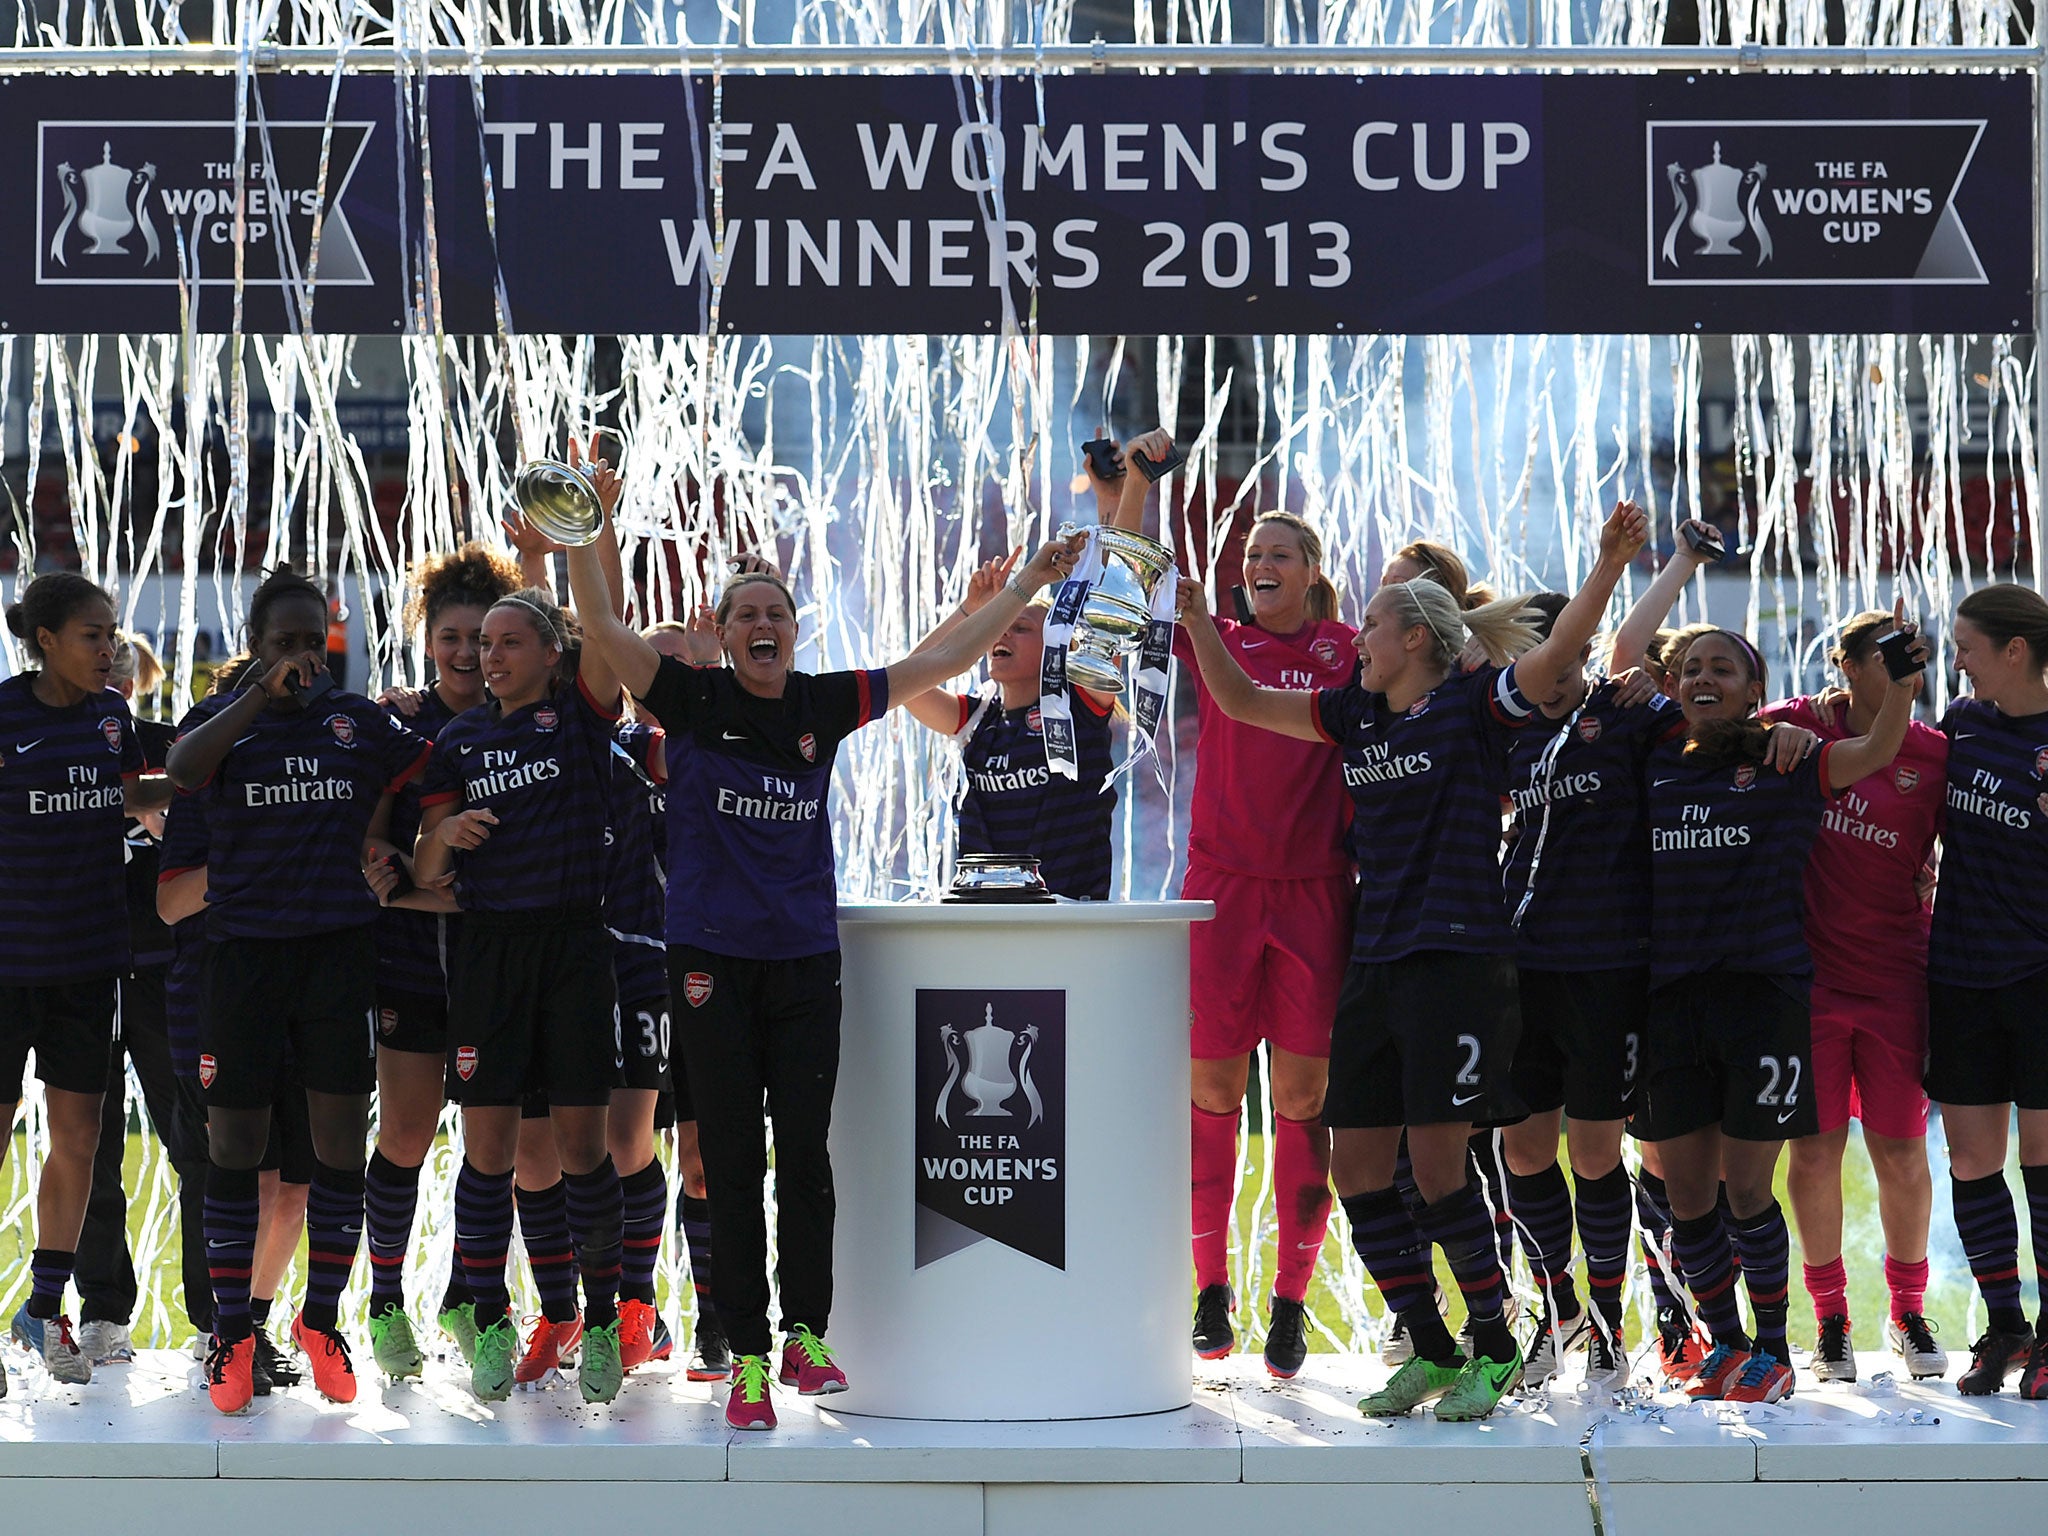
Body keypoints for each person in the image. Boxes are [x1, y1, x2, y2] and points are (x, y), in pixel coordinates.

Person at [565, 502, 1087, 1431]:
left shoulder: (820, 703)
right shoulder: (692, 703)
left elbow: (938, 665)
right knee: (729, 1160)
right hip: (710, 966)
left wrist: (1023, 589)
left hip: (805, 962)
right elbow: (602, 626)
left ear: (794, 629)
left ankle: (806, 1336)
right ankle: (749, 1360)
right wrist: (585, 525)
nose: (763, 627)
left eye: (776, 613)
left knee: (805, 1154)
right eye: (745, 616)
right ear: (721, 637)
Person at [1175, 502, 1647, 1423]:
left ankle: (1496, 1344)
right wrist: (1197, 618)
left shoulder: (1474, 707)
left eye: (1378, 620)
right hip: (1376, 962)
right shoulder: (1354, 712)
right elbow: (1237, 702)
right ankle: (1428, 1347)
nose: (1360, 632)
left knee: (1438, 1168)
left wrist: (1606, 568)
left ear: (1417, 640)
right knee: (1359, 1168)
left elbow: (1554, 661)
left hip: (1460, 964)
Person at [1633, 616, 1922, 1404]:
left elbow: (1879, 753)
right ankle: (1724, 1349)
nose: (1704, 678)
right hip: (1668, 1005)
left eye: (1723, 667)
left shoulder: (1786, 757)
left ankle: (1771, 1350)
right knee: (1689, 1196)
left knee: (1749, 1191)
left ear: (1755, 689)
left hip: (1763, 1000)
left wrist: (1897, 686)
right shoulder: (1651, 757)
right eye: (1692, 666)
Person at [166, 566, 433, 1415]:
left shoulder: (357, 724)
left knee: (335, 1152)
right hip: (241, 963)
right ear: (256, 644)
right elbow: (179, 770)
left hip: (335, 956)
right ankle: (233, 1339)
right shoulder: (220, 723)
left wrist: (424, 839)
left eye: (312, 641)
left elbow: (441, 770)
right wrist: (255, 695)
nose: (301, 658)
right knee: (234, 1152)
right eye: (283, 641)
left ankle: (321, 1320)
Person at [412, 473, 637, 1405]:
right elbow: (424, 874)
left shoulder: (580, 717)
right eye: (484, 645)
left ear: (553, 655)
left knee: (584, 1150)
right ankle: (491, 1324)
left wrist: (594, 527)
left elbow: (608, 622)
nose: (490, 658)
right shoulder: (456, 745)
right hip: (491, 957)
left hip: (576, 953)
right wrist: (441, 838)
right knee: (490, 1151)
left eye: (510, 644)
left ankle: (601, 1320)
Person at [1166, 491, 1359, 1377]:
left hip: (1318, 892)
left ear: (1311, 572)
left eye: (1278, 553)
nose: (1258, 564)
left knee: (1305, 1100)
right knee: (1210, 1085)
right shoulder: (1217, 638)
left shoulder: (1350, 651)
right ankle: (1210, 1288)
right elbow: (1127, 574)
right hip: (1223, 890)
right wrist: (1122, 484)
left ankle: (1288, 1300)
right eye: (1250, 554)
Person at [1759, 612, 1949, 1384]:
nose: (1907, 669)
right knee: (1814, 1153)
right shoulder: (1790, 726)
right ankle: (1831, 1319)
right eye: (1887, 657)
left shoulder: (1936, 755)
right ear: (1844, 665)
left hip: (1897, 978)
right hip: (1807, 982)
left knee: (1903, 1155)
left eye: (1916, 656)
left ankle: (1908, 1314)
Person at [361, 542, 523, 1378]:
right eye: (453, 637)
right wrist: (388, 872)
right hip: (414, 964)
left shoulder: (534, 714)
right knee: (408, 1133)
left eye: (482, 639)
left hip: (504, 968)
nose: (469, 655)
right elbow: (370, 838)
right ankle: (384, 1301)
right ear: (428, 640)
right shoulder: (397, 724)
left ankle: (477, 1299)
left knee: (493, 1144)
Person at [2, 575, 164, 1387]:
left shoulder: (113, 718)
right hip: (7, 967)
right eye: (92, 635)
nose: (110, 649)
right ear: (45, 640)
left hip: (89, 965)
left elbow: (138, 795)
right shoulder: (4, 714)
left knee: (81, 1140)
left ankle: (43, 1306)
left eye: (112, 634)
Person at [1925, 584, 2048, 1398]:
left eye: (1966, 646)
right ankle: (2006, 1326)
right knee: (1972, 1158)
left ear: (2014, 651)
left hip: (2039, 976)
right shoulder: (1962, 723)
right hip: (1959, 974)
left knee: (2043, 1161)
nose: (1956, 660)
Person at [72, 632, 201, 1367]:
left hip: (165, 969)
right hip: (78, 969)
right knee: (89, 1147)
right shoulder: (41, 750)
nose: (108, 676)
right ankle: (103, 1310)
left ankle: (217, 1316)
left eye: (118, 667)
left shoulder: (174, 746)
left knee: (196, 1142)